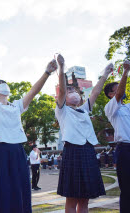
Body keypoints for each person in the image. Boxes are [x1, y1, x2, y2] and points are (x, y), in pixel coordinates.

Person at [0, 49, 58, 213]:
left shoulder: (17, 105)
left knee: (20, 188)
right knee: (0, 190)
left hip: (17, 150)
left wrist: (47, 72)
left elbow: (33, 91)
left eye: (4, 82)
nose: (3, 84)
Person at [55, 54, 111, 212]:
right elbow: (61, 91)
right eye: (69, 91)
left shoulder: (84, 109)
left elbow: (95, 93)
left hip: (87, 150)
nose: (73, 93)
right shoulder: (62, 111)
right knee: (71, 198)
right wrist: (61, 68)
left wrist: (105, 73)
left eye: (75, 91)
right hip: (72, 150)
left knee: (85, 198)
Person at [104, 60, 130, 212]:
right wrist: (125, 71)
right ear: (111, 94)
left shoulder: (128, 107)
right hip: (125, 150)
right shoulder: (110, 107)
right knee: (127, 189)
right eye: (118, 88)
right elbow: (120, 92)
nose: (123, 89)